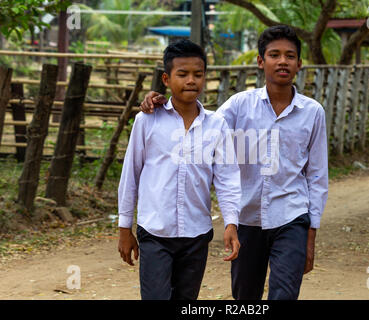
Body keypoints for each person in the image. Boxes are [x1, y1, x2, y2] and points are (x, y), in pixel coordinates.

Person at [139, 25, 328, 300]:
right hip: (247, 220)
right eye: (274, 55)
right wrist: (161, 104)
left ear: (299, 63)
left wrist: (309, 239)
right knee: (245, 297)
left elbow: (317, 177)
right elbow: (202, 122)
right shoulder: (240, 106)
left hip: (291, 217)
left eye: (290, 55)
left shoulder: (312, 113)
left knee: (285, 294)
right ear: (261, 62)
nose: (283, 61)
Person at [118, 39, 241, 300]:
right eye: (182, 74)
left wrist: (231, 223)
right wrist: (124, 228)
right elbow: (131, 174)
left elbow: (227, 178)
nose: (190, 81)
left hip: (197, 234)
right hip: (155, 232)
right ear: (166, 78)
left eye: (198, 74)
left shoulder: (217, 124)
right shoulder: (147, 120)